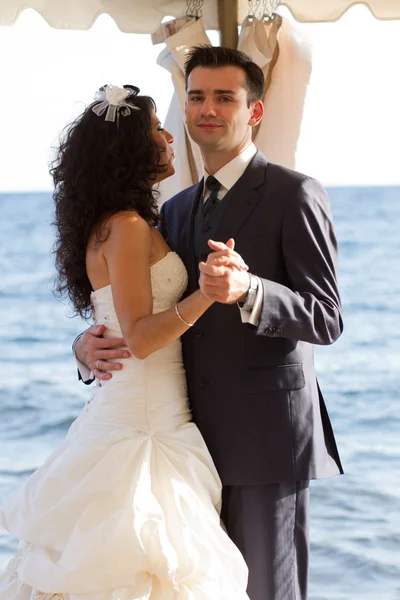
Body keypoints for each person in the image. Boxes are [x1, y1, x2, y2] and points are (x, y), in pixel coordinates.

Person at [75, 47, 344, 600]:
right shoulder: (172, 211)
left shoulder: (294, 193)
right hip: (183, 441)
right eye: (196, 96)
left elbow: (326, 317)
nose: (207, 109)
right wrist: (84, 346)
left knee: (268, 590)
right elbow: (143, 311)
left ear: (256, 111)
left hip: (264, 439)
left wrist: (250, 290)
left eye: (225, 97)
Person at [0, 84, 251, 599]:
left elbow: (114, 323)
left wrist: (82, 346)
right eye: (156, 128)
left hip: (135, 413)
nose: (167, 136)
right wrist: (207, 293)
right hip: (143, 425)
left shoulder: (119, 224)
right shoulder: (130, 227)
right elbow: (138, 339)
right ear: (130, 149)